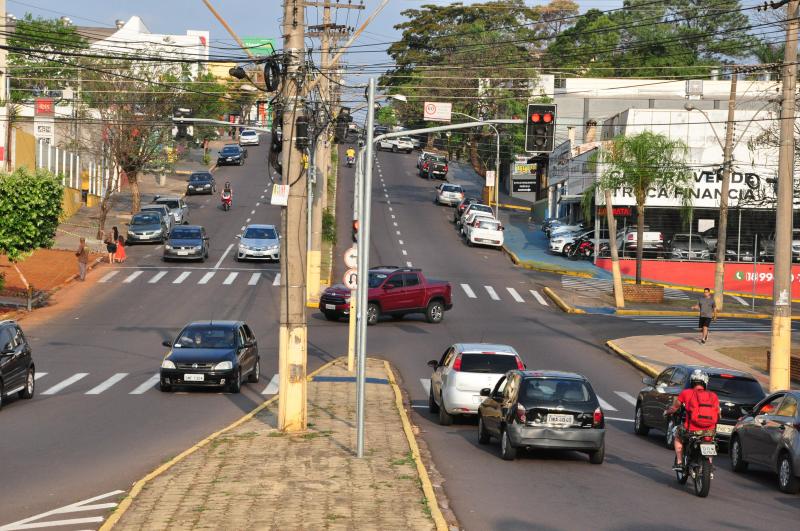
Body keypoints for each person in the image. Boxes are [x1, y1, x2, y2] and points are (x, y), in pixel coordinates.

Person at [665, 369, 719, 471]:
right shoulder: (713, 396)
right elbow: (718, 413)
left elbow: (675, 407)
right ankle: (710, 463)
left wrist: (667, 412)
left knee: (677, 435)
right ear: (705, 382)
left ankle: (680, 462)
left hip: (691, 429)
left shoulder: (686, 393)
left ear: (692, 381)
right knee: (709, 441)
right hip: (709, 431)